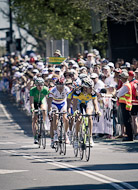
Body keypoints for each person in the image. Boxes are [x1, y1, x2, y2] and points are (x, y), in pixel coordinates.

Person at [72, 77, 100, 148]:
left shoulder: (93, 92)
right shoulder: (78, 91)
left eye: (92, 87)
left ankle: (90, 137)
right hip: (79, 103)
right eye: (90, 88)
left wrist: (97, 110)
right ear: (84, 88)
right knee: (79, 119)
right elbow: (74, 104)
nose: (91, 89)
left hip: (88, 102)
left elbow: (95, 103)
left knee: (89, 116)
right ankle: (76, 137)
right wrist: (76, 112)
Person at [47, 76, 71, 147]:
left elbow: (69, 100)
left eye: (62, 85)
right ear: (56, 85)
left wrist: (68, 110)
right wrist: (50, 111)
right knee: (56, 116)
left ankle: (66, 135)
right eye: (59, 85)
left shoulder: (67, 89)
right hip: (54, 104)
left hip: (63, 103)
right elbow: (49, 101)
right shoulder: (53, 90)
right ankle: (55, 134)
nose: (60, 87)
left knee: (65, 118)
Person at [30, 77, 50, 144]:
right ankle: (35, 136)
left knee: (44, 109)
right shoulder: (32, 90)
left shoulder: (45, 89)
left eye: (41, 84)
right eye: (38, 85)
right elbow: (31, 102)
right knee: (34, 119)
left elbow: (47, 100)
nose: (40, 86)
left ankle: (43, 122)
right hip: (35, 103)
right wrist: (32, 109)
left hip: (41, 101)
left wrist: (49, 107)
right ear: (35, 85)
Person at [117, 72, 133, 141]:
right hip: (125, 104)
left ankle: (129, 136)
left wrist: (116, 92)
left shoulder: (126, 86)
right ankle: (129, 135)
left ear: (124, 78)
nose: (120, 79)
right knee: (126, 121)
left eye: (121, 77)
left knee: (127, 121)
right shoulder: (125, 85)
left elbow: (118, 94)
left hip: (126, 105)